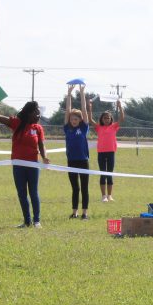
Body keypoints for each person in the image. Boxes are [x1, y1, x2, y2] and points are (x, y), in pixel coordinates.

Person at [0, 97, 50, 228]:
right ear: (28, 113)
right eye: (36, 113)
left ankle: (37, 221)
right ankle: (27, 221)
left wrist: (44, 157)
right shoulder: (17, 123)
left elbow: (41, 145)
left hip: (33, 165)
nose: (38, 115)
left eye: (39, 113)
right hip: (18, 165)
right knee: (22, 193)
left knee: (33, 192)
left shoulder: (38, 128)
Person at [88, 96, 124, 202]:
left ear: (111, 119)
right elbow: (90, 120)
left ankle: (110, 195)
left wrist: (120, 106)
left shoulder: (114, 126)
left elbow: (122, 118)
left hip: (111, 153)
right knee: (103, 173)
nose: (106, 120)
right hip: (101, 153)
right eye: (104, 118)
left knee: (110, 174)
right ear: (102, 119)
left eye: (108, 118)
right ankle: (103, 196)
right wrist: (90, 108)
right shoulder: (99, 127)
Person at [64, 84, 91, 219]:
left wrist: (81, 93)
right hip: (71, 161)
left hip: (83, 161)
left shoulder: (84, 128)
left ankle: (85, 213)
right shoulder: (67, 129)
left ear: (80, 120)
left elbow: (84, 110)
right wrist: (69, 94)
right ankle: (74, 212)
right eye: (71, 119)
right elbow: (67, 110)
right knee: (75, 188)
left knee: (84, 188)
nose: (73, 121)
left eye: (76, 119)